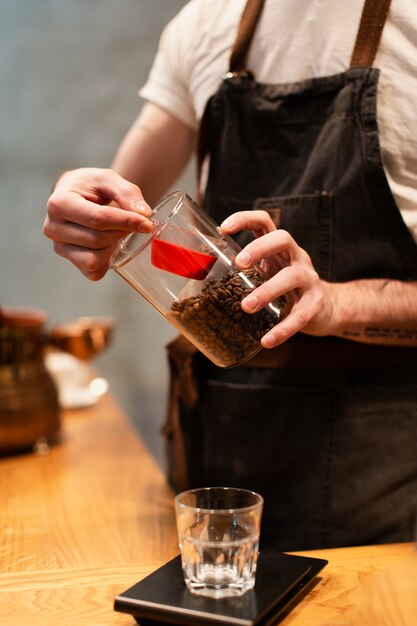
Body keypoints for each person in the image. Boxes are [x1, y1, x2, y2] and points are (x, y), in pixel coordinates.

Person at [43, 0, 417, 550]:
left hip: (379, 479)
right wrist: (82, 209)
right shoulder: (206, 23)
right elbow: (124, 222)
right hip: (219, 450)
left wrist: (336, 305)